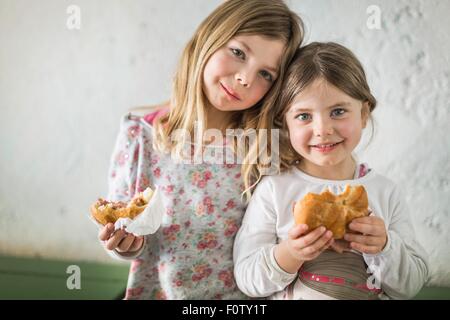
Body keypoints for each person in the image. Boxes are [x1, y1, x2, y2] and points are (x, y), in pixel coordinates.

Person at [97, 0, 304, 299]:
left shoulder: (266, 150)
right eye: (238, 52)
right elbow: (121, 226)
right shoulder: (139, 135)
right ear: (209, 39)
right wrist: (125, 243)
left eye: (266, 74)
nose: (245, 78)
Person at [233, 42, 429, 300]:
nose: (322, 129)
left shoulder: (385, 192)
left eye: (338, 111)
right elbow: (247, 278)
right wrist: (290, 254)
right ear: (285, 122)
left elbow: (412, 285)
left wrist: (384, 247)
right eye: (304, 116)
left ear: (363, 113)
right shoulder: (274, 190)